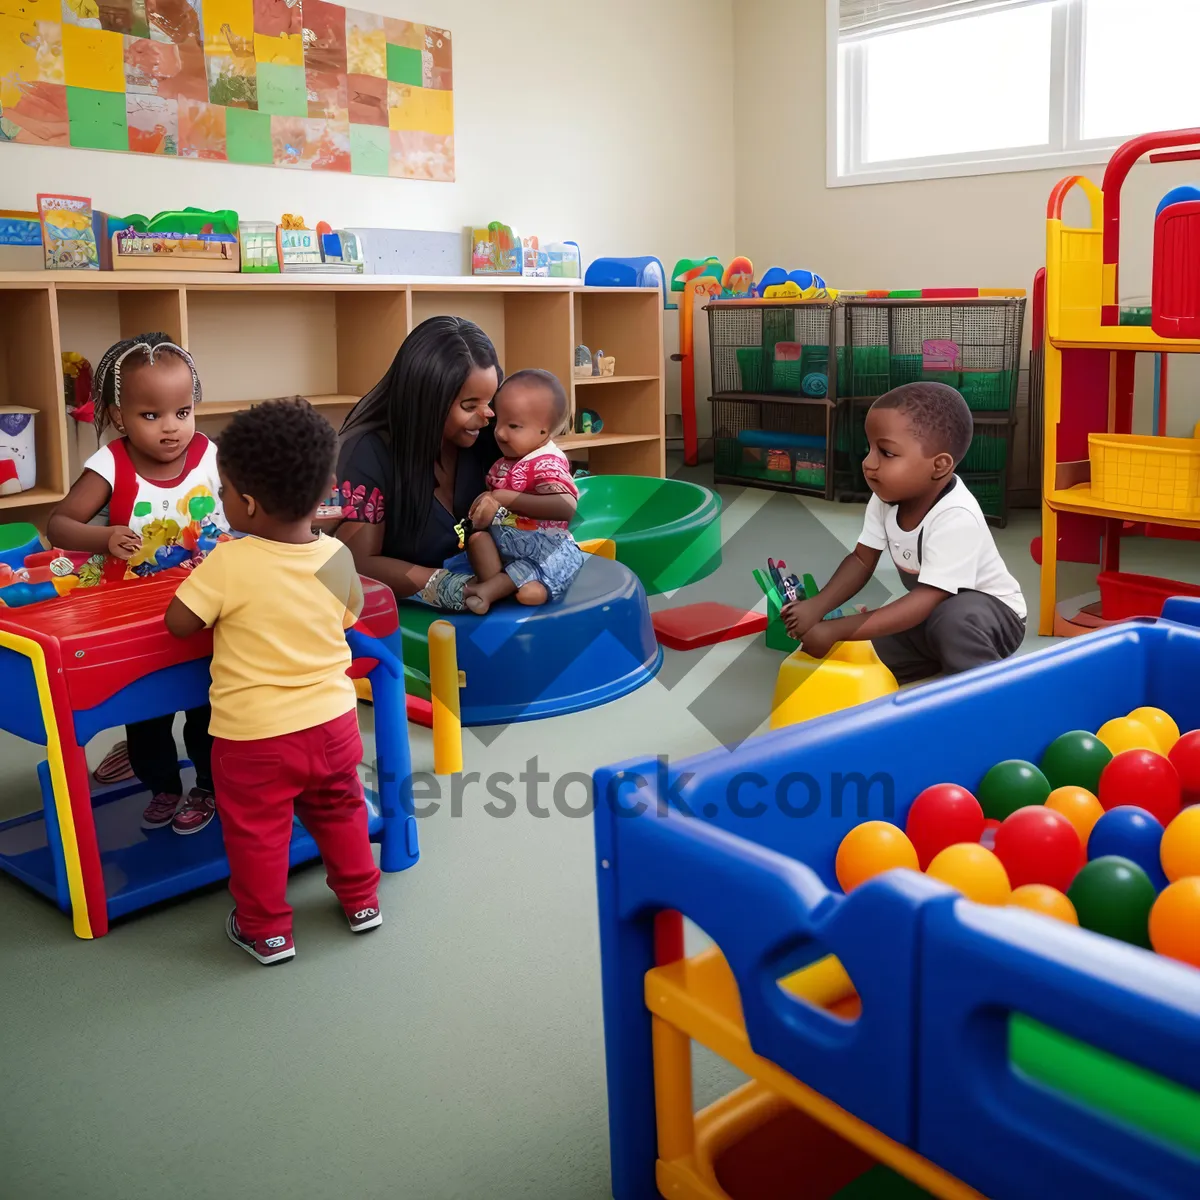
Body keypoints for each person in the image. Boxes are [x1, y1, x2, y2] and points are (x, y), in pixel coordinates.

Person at [166, 398, 378, 966]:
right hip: (333, 726)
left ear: (249, 503)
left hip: (255, 740)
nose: (223, 501)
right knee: (342, 810)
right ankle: (361, 899)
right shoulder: (335, 554)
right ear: (324, 488)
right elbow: (350, 616)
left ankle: (266, 930)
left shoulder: (229, 563)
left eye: (226, 492)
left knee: (258, 832)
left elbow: (179, 623)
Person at [47, 333, 229, 835]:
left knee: (206, 705)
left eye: (182, 412)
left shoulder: (209, 454)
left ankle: (210, 786)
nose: (171, 428)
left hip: (206, 607)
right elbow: (59, 524)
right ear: (119, 415)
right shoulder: (111, 463)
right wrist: (104, 536)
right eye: (151, 416)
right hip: (135, 614)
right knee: (146, 712)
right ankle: (163, 786)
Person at [784, 382, 1025, 683]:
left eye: (886, 453)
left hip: (992, 617)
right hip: (932, 617)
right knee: (868, 648)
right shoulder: (885, 499)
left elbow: (927, 598)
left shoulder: (956, 516)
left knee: (952, 620)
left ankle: (987, 691)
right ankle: (941, 657)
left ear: (939, 466)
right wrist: (816, 607)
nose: (869, 463)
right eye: (869, 448)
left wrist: (836, 628)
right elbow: (861, 560)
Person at [335, 315, 502, 612]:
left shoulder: (490, 434)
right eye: (470, 405)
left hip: (492, 605)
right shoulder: (368, 451)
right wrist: (453, 586)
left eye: (489, 400)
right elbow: (358, 563)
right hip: (403, 623)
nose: (487, 414)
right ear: (428, 400)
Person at [462, 369, 584, 615]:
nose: (500, 433)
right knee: (477, 541)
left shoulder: (545, 462)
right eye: (499, 422)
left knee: (531, 593)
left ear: (544, 431)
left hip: (543, 550)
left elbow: (566, 506)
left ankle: (489, 591)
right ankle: (501, 584)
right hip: (508, 545)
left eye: (514, 426)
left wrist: (504, 498)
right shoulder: (508, 460)